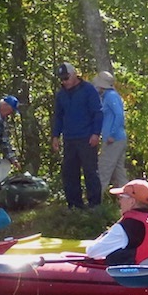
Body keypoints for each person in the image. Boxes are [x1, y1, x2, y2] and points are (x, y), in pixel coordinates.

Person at [86, 179, 148, 266]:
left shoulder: (126, 226)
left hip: (135, 277)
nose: (119, 201)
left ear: (132, 201)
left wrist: (104, 235)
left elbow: (92, 252)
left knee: (114, 256)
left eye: (121, 197)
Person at [50, 62, 103, 209]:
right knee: (69, 172)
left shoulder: (88, 90)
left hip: (86, 137)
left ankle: (95, 205)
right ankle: (74, 205)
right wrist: (55, 136)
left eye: (66, 78)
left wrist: (96, 133)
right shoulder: (61, 95)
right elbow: (59, 116)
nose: (64, 81)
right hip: (69, 138)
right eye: (62, 79)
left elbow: (97, 113)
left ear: (74, 75)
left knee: (90, 171)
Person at [94, 71, 128, 193]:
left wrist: (112, 135)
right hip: (119, 139)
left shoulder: (110, 96)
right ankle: (129, 202)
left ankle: (96, 203)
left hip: (114, 139)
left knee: (104, 169)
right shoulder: (109, 96)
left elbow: (119, 115)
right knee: (119, 173)